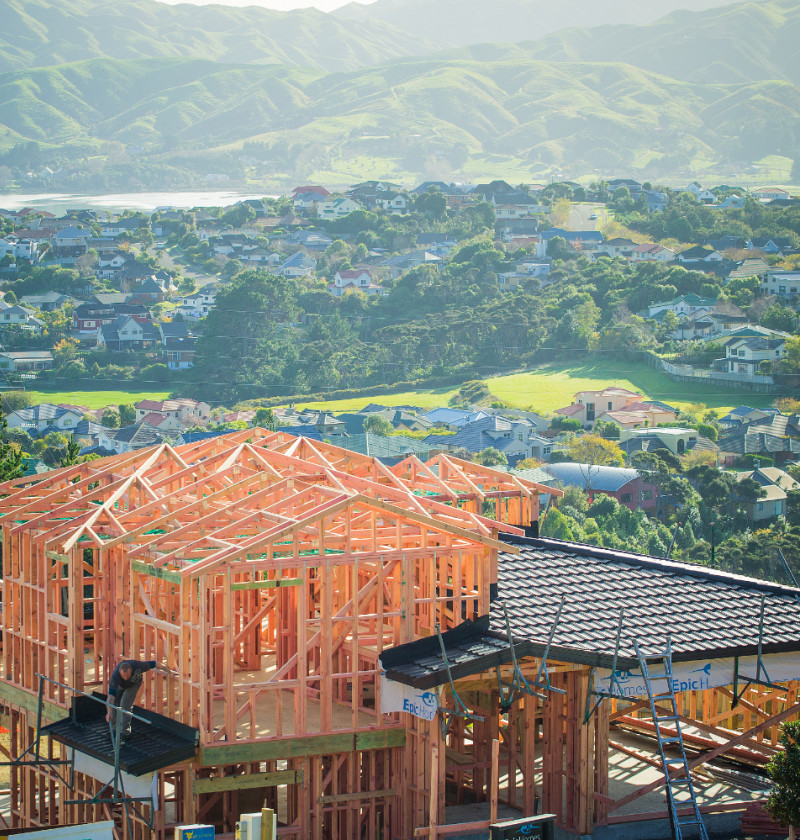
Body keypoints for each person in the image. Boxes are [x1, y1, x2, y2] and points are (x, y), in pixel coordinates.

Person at [105, 659, 172, 739]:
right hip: (120, 685)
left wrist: (168, 671)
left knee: (125, 704)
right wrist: (109, 712)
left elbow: (155, 663)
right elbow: (111, 697)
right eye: (124, 676)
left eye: (127, 675)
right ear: (120, 672)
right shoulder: (116, 676)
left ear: (131, 670)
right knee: (115, 703)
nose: (126, 677)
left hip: (134, 684)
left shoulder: (138, 666)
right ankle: (114, 729)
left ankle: (125, 732)